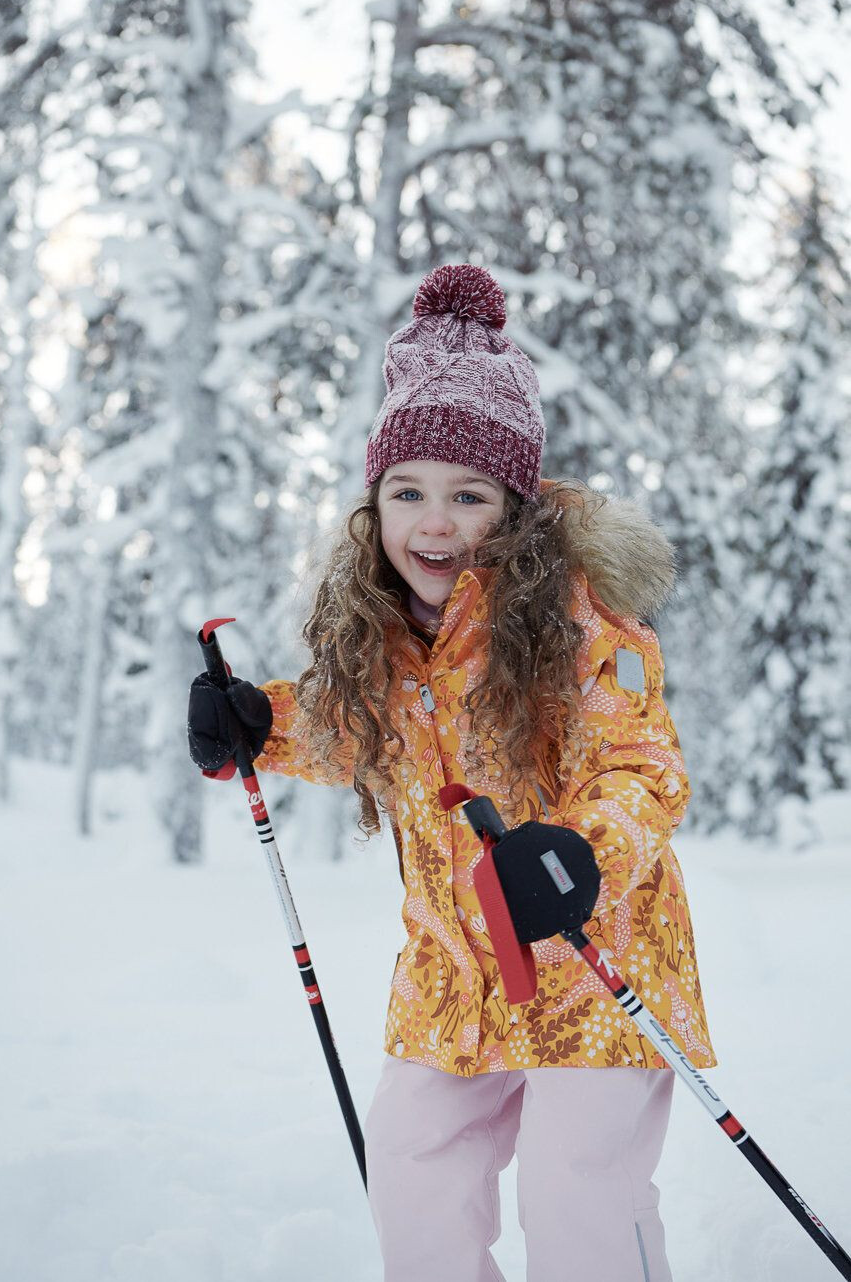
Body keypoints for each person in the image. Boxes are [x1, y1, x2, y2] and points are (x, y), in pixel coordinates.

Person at [187, 263, 717, 1282]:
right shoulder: (381, 635)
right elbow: (357, 737)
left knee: (575, 1194)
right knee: (414, 1169)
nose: (434, 522)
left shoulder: (581, 620)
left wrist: (581, 849)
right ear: (374, 505)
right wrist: (260, 724)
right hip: (450, 973)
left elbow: (642, 766)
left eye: (468, 495)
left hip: (594, 957)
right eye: (409, 492)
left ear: (511, 509)